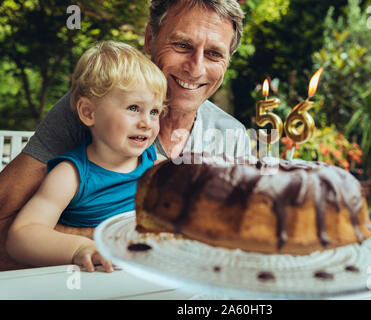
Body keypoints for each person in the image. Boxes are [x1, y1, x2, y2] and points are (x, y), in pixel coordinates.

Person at [0, 0, 249, 270]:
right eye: (182, 45)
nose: (196, 68)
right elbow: (6, 220)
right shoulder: (97, 107)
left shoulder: (231, 136)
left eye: (214, 54)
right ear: (150, 39)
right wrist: (100, 242)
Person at [5, 41, 167, 272]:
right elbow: (22, 235)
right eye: (133, 108)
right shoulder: (71, 175)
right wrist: (80, 248)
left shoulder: (157, 166)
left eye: (154, 112)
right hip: (91, 280)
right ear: (88, 113)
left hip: (144, 276)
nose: (146, 123)